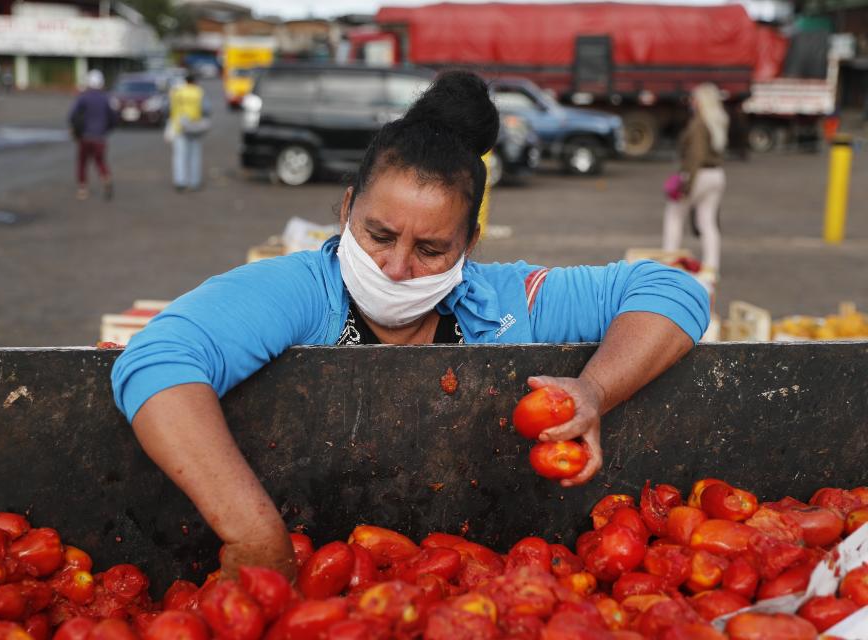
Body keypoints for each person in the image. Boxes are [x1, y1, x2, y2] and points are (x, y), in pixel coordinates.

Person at [111, 71, 710, 579]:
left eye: (430, 248)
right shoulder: (300, 291)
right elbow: (158, 361)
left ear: (470, 243)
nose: (396, 269)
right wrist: (254, 534)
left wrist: (595, 391)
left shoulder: (500, 300)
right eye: (377, 235)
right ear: (347, 209)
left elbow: (672, 290)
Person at [662, 83, 729, 277]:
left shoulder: (698, 124)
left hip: (698, 174)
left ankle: (669, 258)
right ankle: (711, 265)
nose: (691, 102)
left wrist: (687, 183)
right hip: (717, 174)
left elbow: (695, 156)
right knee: (707, 221)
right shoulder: (718, 121)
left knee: (674, 215)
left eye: (694, 99)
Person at [68, 70, 115, 201]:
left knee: (82, 162)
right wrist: (106, 129)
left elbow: (72, 115)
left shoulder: (83, 97)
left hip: (85, 136)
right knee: (100, 161)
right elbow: (112, 117)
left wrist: (74, 129)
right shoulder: (105, 98)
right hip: (100, 137)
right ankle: (106, 178)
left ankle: (82, 189)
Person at [167, 72, 209, 191]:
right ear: (195, 81)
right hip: (195, 127)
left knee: (179, 156)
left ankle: (180, 182)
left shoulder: (177, 92)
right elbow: (207, 109)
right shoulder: (199, 92)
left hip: (179, 127)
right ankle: (194, 182)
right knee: (194, 155)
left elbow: (168, 108)